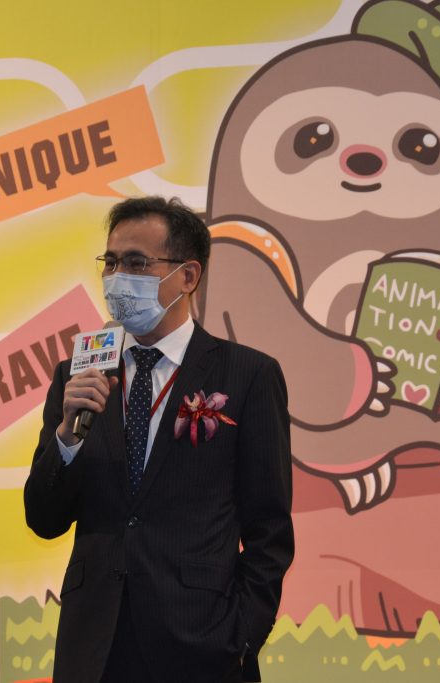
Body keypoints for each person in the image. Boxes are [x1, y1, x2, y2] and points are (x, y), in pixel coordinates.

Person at [24, 196, 294, 683]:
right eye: (110, 262)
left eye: (135, 263)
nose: (116, 277)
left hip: (202, 647)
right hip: (95, 648)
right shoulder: (78, 374)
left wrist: (240, 638)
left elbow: (269, 531)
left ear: (188, 276)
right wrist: (67, 437)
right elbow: (44, 519)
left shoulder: (247, 375)